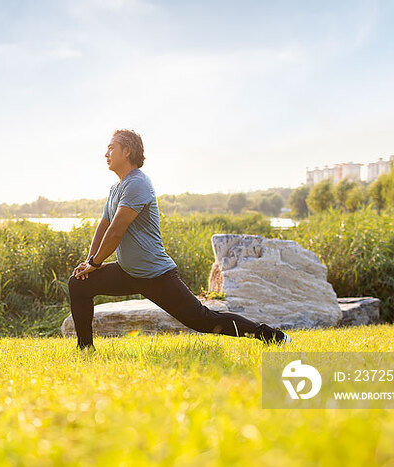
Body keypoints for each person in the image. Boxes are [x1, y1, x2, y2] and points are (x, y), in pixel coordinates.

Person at [68, 129, 292, 351]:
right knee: (79, 284)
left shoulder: (137, 183)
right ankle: (85, 349)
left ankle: (269, 335)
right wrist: (89, 264)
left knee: (202, 319)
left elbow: (117, 230)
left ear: (126, 151)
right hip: (128, 272)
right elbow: (104, 226)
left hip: (154, 274)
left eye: (110, 148)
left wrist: (95, 263)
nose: (105, 153)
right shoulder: (116, 188)